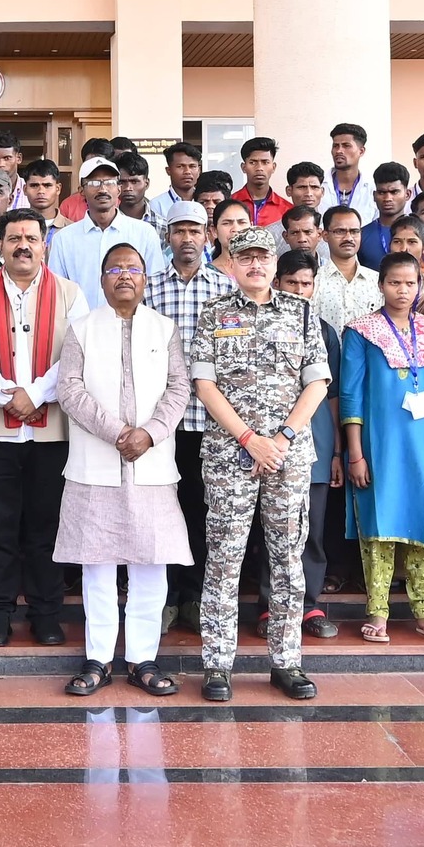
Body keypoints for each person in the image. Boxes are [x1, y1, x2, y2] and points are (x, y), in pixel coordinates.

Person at [189, 226, 329, 701]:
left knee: (289, 560)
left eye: (262, 258)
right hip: (232, 456)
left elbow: (317, 383)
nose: (254, 265)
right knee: (225, 558)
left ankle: (286, 662)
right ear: (230, 264)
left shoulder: (303, 312)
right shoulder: (213, 314)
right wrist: (250, 439)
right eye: (244, 258)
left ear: (275, 264)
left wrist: (282, 437)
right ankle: (217, 664)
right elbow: (205, 386)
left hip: (287, 458)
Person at [55, 242, 192, 696]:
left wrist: (149, 433)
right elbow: (69, 390)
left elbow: (179, 389)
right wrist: (118, 432)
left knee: (151, 566)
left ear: (145, 279)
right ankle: (97, 659)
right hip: (96, 463)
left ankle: (142, 659)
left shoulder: (165, 328)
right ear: (102, 279)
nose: (124, 276)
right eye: (115, 268)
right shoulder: (81, 329)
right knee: (97, 566)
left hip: (151, 464)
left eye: (133, 268)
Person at [0, 209, 85, 648]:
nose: (23, 244)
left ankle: (45, 613)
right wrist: (6, 394)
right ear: (0, 244)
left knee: (45, 526)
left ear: (45, 244)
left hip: (50, 431)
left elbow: (76, 355)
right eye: (14, 237)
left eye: (31, 237)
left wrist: (35, 394)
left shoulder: (71, 294)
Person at [340, 252, 424, 647]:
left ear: (420, 286)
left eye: (410, 283)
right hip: (379, 445)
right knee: (379, 523)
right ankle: (378, 611)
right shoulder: (361, 331)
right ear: (380, 284)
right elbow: (350, 394)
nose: (402, 290)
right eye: (394, 282)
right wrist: (355, 453)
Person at [143, 202, 235, 634]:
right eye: (178, 230)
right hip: (161, 423)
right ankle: (166, 598)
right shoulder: (150, 287)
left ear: (208, 236)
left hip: (208, 422)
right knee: (161, 512)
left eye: (194, 231)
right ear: (168, 236)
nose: (186, 238)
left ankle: (195, 596)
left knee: (201, 513)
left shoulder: (224, 289)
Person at [272, 251, 342, 639]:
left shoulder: (324, 331)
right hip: (268, 446)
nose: (299, 290)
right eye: (291, 282)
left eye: (306, 283)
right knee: (272, 527)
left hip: (313, 447)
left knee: (310, 529)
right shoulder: (258, 324)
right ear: (277, 282)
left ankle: (308, 605)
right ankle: (271, 603)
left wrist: (333, 452)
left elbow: (332, 396)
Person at [47, 155, 166, 310]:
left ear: (118, 189)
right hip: (81, 328)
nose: (102, 189)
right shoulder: (64, 239)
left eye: (109, 182)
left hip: (132, 328)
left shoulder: (144, 234)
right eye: (94, 183)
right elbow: (57, 292)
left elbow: (155, 289)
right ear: (81, 191)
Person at [311, 204, 383, 330]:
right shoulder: (313, 281)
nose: (348, 238)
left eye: (355, 231)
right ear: (325, 235)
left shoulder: (377, 281)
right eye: (340, 231)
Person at [229, 137, 291, 227]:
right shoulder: (229, 204)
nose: (259, 168)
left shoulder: (287, 210)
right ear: (243, 167)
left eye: (265, 162)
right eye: (253, 162)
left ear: (273, 167)